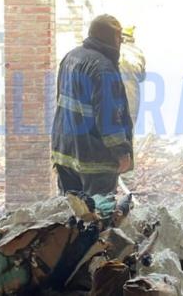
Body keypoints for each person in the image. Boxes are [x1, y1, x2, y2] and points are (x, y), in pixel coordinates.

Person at [51, 14, 133, 196]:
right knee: (98, 216)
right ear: (113, 38)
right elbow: (108, 117)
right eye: (119, 38)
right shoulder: (103, 67)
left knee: (71, 214)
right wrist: (122, 152)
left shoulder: (70, 57)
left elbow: (61, 101)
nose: (120, 43)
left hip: (64, 152)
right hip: (94, 160)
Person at [119, 25, 146, 128]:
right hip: (133, 95)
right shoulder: (138, 52)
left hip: (113, 92)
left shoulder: (113, 49)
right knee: (130, 127)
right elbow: (142, 77)